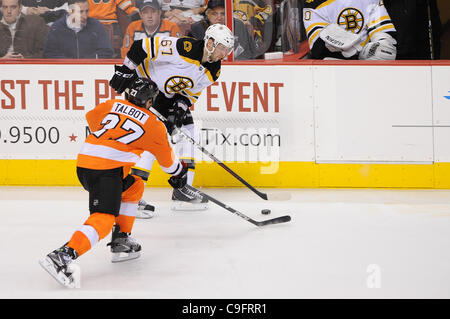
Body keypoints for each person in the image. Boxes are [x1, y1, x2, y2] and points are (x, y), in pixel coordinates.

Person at [39, 77, 189, 288]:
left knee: (135, 184)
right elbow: (169, 164)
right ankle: (62, 255)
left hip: (84, 163)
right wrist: (179, 174)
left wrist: (114, 138)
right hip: (105, 172)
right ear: (149, 102)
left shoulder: (112, 104)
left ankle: (121, 240)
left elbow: (92, 118)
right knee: (104, 218)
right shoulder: (154, 126)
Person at [109, 23, 234, 216]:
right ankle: (131, 197)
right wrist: (126, 70)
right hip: (146, 87)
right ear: (209, 42)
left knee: (188, 130)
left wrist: (180, 108)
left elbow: (191, 93)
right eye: (222, 48)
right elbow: (141, 47)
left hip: (167, 96)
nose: (224, 54)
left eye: (227, 50)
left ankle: (182, 191)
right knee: (152, 139)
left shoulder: (214, 69)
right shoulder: (184, 48)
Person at [303, 0, 397, 60]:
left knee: (384, 52)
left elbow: (382, 32)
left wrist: (381, 44)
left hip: (369, 64)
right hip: (334, 66)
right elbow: (318, 44)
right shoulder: (314, 3)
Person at [188, 0, 257, 60]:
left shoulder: (238, 25)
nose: (219, 18)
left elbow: (250, 52)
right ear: (208, 15)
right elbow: (192, 55)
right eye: (215, 14)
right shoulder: (198, 28)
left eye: (223, 14)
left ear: (229, 14)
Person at [43, 0, 113, 58]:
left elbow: (106, 52)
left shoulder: (96, 25)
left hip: (91, 69)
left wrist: (85, 62)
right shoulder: (56, 28)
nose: (85, 16)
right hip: (64, 70)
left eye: (87, 11)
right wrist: (71, 64)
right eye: (80, 12)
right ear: (70, 11)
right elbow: (50, 54)